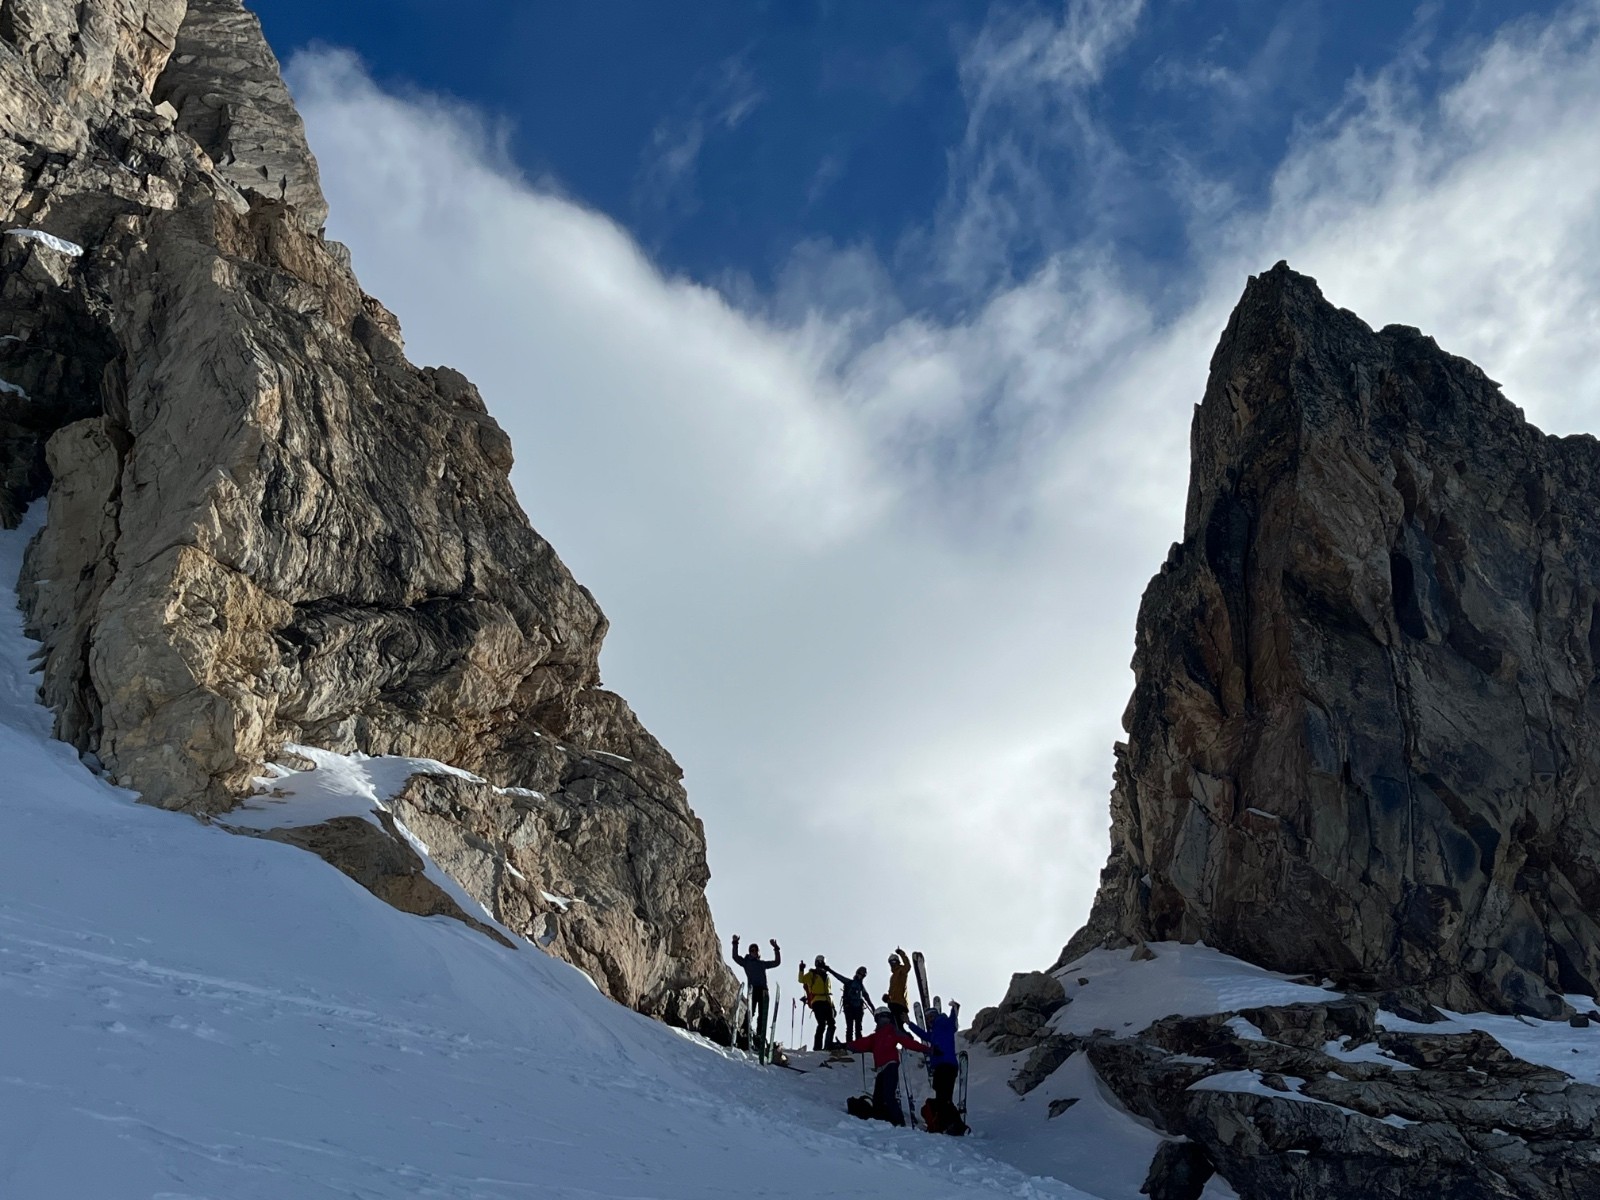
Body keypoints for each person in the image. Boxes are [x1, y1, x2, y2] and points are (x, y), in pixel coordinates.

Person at [846, 1007, 933, 1126]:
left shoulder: (892, 1031)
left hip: (890, 1066)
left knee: (888, 1096)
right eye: (882, 1017)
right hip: (882, 1069)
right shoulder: (876, 1036)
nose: (884, 1020)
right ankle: (884, 1121)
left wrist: (926, 1049)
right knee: (878, 1100)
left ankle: (900, 1123)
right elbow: (862, 1043)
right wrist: (847, 1045)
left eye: (886, 1017)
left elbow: (908, 1043)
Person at [909, 997, 963, 1131]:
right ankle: (945, 1123)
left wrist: (954, 1009)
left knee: (943, 1097)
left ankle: (953, 1124)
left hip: (945, 1065)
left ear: (934, 1016)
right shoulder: (934, 1033)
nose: (928, 1021)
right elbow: (923, 1035)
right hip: (943, 1066)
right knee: (942, 1097)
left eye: (929, 1017)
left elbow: (951, 1022)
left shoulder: (942, 1023)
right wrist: (909, 1024)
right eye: (927, 1019)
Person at [731, 935, 780, 1052]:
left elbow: (777, 962)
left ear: (758, 952)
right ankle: (744, 1033)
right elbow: (735, 957)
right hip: (753, 990)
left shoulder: (762, 963)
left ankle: (759, 1037)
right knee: (750, 1013)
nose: (754, 952)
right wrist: (735, 943)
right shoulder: (746, 962)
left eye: (755, 950)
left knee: (762, 1016)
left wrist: (776, 949)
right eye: (752, 950)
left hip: (763, 991)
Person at [798, 955, 837, 1051]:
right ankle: (818, 1047)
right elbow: (801, 980)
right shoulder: (812, 974)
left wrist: (833, 1006)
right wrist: (801, 969)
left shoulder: (826, 976)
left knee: (831, 1023)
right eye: (819, 962)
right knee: (822, 1024)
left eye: (822, 962)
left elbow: (829, 992)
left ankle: (828, 1045)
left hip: (827, 1001)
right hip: (817, 1001)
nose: (820, 964)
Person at [826, 963, 869, 1043]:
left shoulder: (857, 985)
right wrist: (829, 970)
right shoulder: (851, 983)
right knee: (852, 1028)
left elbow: (867, 997)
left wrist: (829, 970)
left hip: (854, 1008)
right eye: (860, 974)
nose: (861, 976)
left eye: (863, 975)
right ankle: (853, 1045)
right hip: (852, 1007)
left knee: (855, 1028)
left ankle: (856, 1044)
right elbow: (838, 976)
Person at [884, 948, 912, 1028]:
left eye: (894, 961)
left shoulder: (901, 970)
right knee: (893, 1025)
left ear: (898, 961)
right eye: (891, 962)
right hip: (892, 1003)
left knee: (898, 1024)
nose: (893, 964)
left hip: (900, 1003)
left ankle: (906, 1037)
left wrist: (901, 953)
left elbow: (908, 966)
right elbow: (892, 990)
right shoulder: (893, 976)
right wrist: (887, 998)